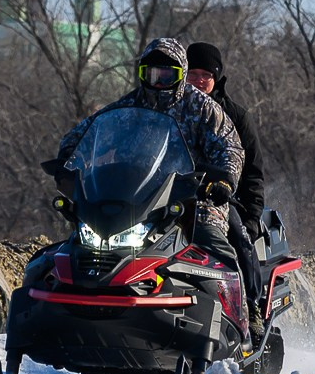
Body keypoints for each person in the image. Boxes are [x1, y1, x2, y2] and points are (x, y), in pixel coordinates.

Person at [51, 38, 244, 262]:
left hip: (193, 197)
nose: (159, 82)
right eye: (151, 74)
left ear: (180, 74)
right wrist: (69, 159)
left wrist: (225, 180)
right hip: (135, 199)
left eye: (167, 75)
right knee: (84, 238)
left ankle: (236, 294)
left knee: (211, 240)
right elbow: (87, 133)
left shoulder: (203, 108)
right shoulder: (128, 107)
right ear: (142, 74)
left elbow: (229, 146)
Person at [185, 41, 269, 332]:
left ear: (216, 78)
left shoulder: (235, 116)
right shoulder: (171, 109)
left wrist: (251, 217)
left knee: (238, 239)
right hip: (170, 194)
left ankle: (252, 306)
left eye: (204, 76)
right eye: (191, 74)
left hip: (219, 198)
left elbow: (253, 174)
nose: (197, 81)